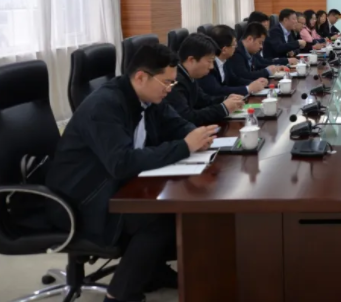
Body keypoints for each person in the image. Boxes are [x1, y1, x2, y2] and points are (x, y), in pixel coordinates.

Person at [46, 44, 218, 302]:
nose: (170, 89)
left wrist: (196, 136)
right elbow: (121, 162)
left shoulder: (148, 97)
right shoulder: (104, 106)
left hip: (115, 185)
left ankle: (151, 273)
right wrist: (184, 146)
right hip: (80, 199)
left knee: (180, 208)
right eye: (167, 82)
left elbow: (176, 123)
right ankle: (120, 295)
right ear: (141, 77)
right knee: (158, 219)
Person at [167, 34, 246, 125]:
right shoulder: (175, 82)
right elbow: (188, 117)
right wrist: (223, 108)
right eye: (209, 61)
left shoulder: (189, 75)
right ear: (191, 60)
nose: (212, 67)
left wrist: (226, 99)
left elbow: (204, 100)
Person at [198, 25, 268, 97]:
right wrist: (247, 89)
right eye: (234, 45)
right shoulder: (208, 66)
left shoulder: (225, 61)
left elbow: (234, 80)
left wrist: (255, 83)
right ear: (224, 50)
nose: (236, 47)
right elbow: (217, 90)